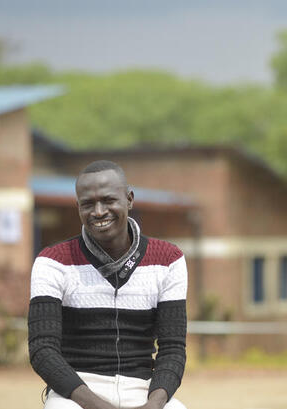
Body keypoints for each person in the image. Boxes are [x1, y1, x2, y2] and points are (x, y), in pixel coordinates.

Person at [28, 160, 188, 409]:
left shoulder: (168, 259)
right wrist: (98, 406)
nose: (99, 211)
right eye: (88, 204)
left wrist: (155, 404)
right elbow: (42, 350)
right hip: (77, 393)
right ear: (78, 207)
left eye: (108, 200)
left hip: (143, 389)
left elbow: (173, 349)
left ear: (129, 199)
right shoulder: (53, 262)